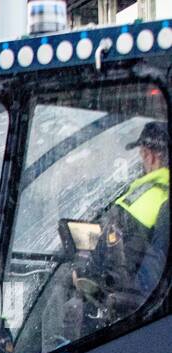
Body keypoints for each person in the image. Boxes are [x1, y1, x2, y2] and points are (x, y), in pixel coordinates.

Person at [65, 120, 170, 341]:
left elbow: (150, 279)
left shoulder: (162, 200)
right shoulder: (144, 190)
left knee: (63, 306)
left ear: (151, 155)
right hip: (106, 287)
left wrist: (117, 299)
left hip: (119, 305)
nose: (142, 159)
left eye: (143, 153)